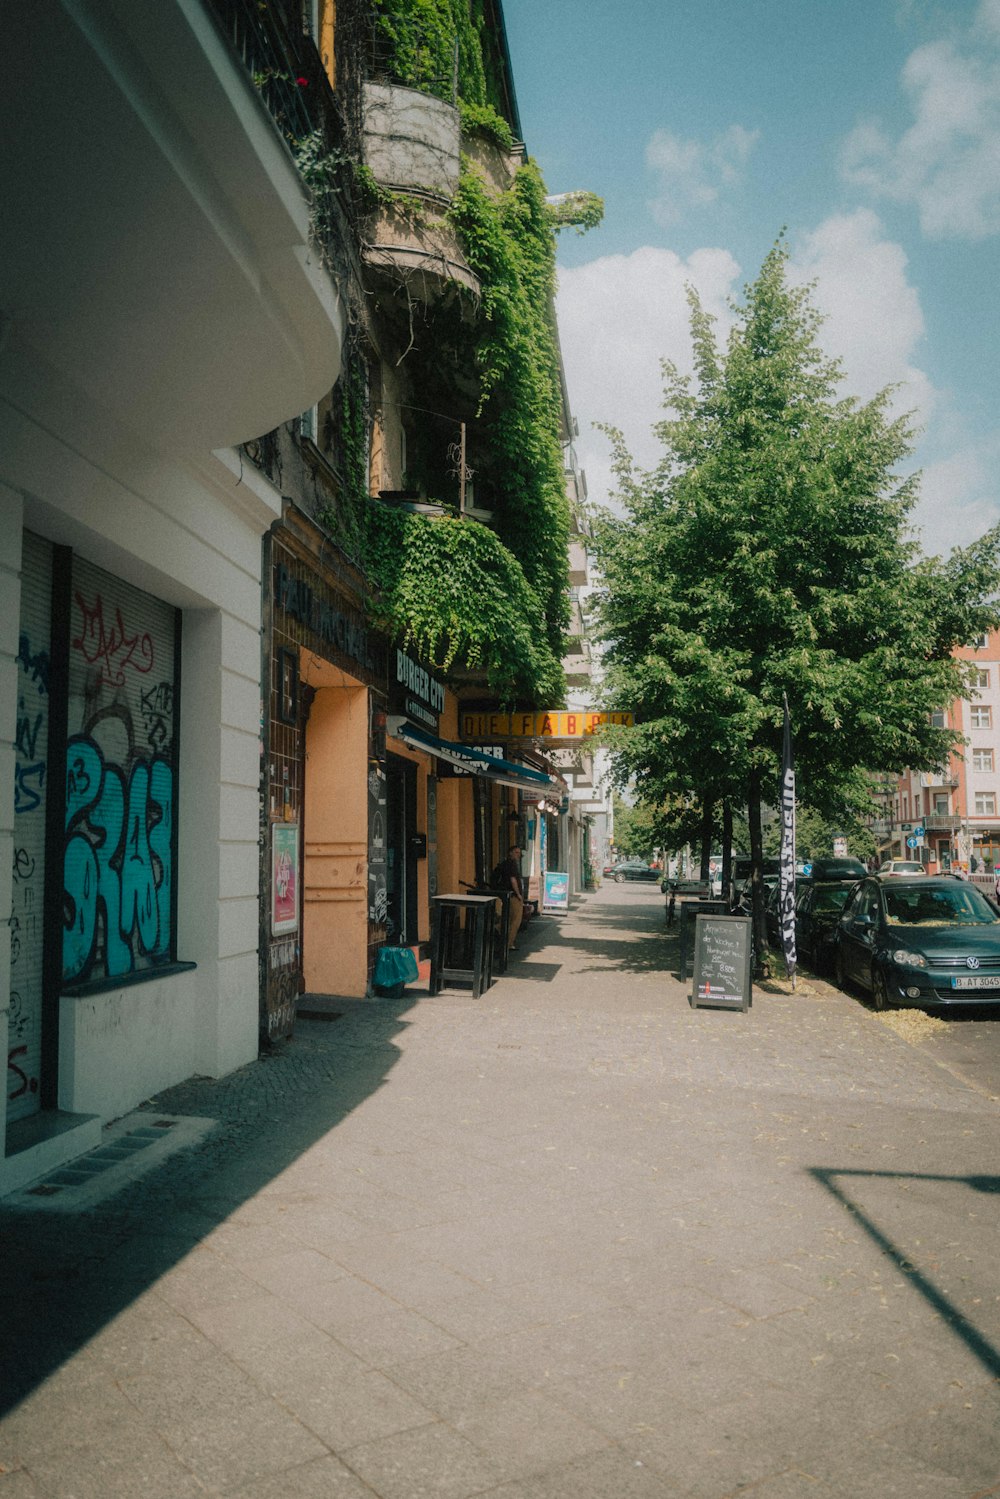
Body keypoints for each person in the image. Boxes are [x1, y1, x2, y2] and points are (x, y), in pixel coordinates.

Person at [495, 843, 525, 952]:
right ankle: (509, 943)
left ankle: (499, 930)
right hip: (513, 895)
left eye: (519, 853)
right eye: (516, 852)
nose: (518, 855)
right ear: (510, 853)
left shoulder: (505, 864)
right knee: (516, 919)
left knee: (508, 918)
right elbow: (513, 880)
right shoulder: (512, 864)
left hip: (505, 895)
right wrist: (518, 894)